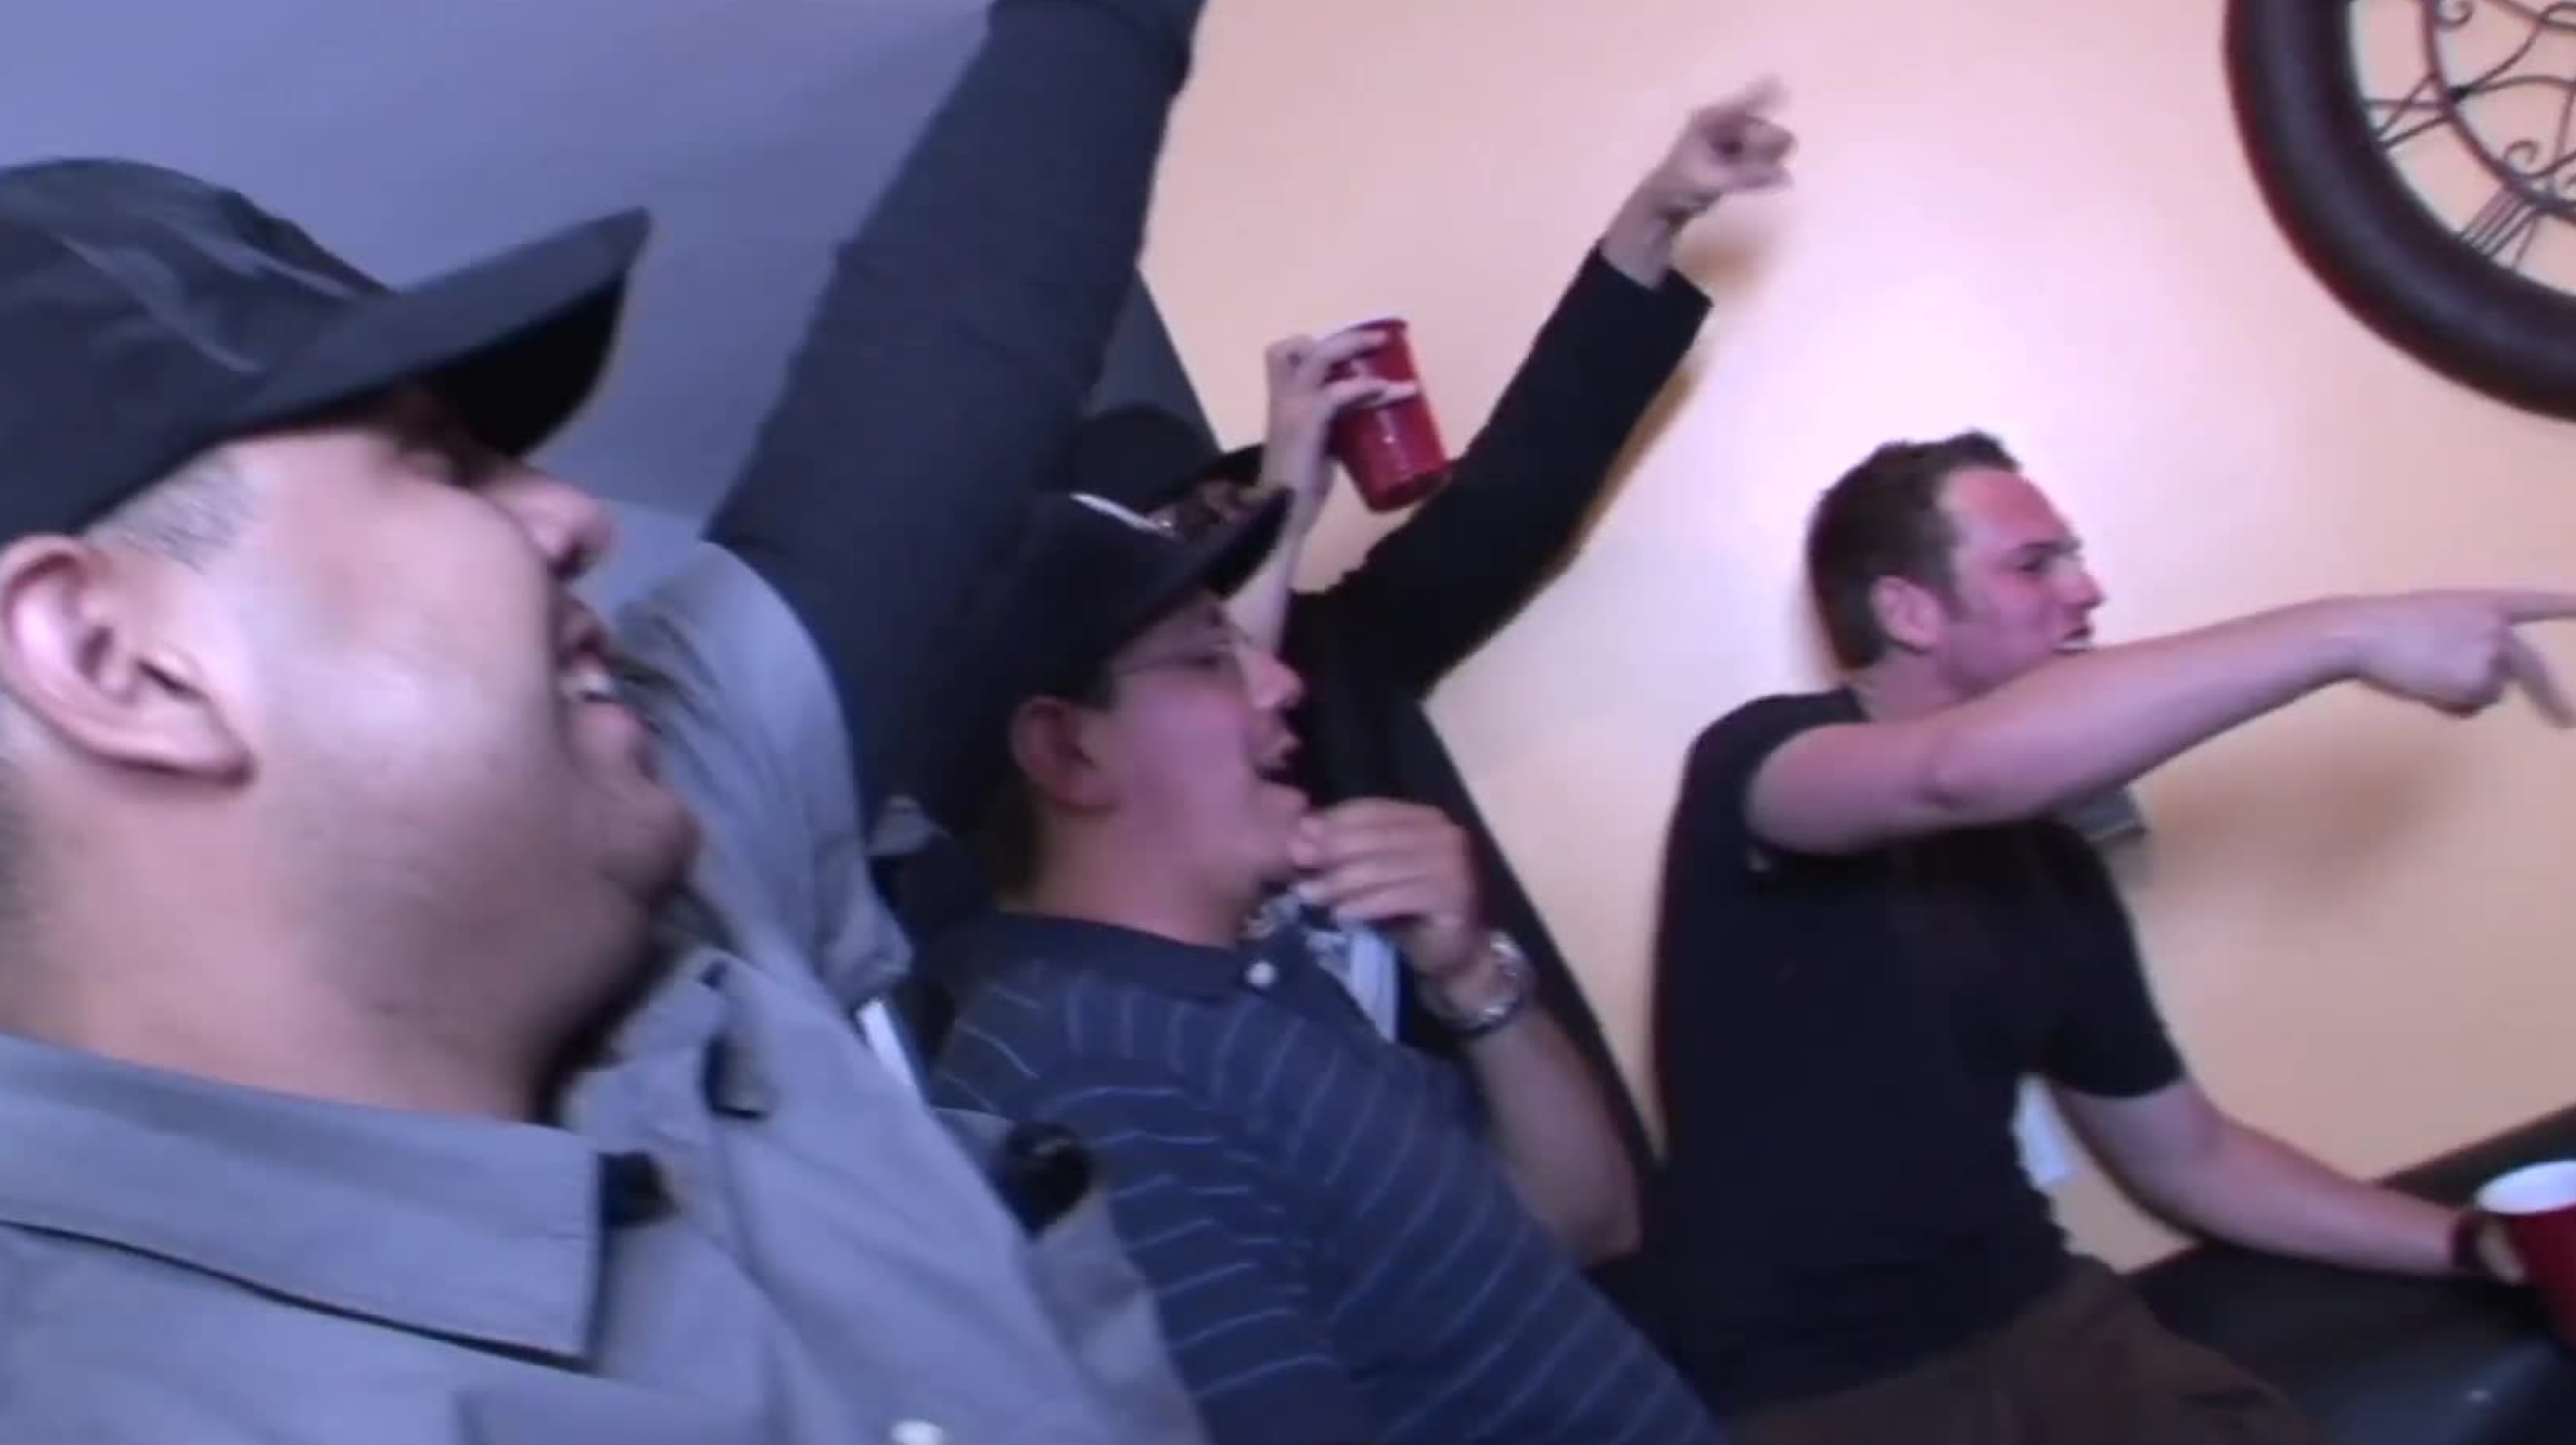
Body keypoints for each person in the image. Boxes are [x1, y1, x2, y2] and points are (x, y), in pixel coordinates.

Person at [0, 0, 1230, 1439]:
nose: (575, 518)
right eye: (443, 467)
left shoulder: (670, 837)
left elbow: (955, 355)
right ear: (120, 662)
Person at [961, 84, 1796, 1284]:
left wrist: (1659, 211)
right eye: (1177, 545)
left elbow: (1519, 490)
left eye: (1221, 524)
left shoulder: (1335, 658)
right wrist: (1281, 504)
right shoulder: (1062, 967)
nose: (1218, 565)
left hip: (1576, 1254)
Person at [1642, 429, 2565, 1445]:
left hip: (2052, 1327)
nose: (2087, 590)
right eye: (2035, 565)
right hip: (1818, 1391)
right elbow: (1955, 773)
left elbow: (2195, 1159)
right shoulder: (1761, 758)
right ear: (1909, 611)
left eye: (2074, 557)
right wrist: (2356, 631)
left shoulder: (2050, 868)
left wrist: (2476, 1242)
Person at [922, 487, 1735, 1445]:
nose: (1279, 683)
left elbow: (1586, 1220)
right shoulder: (1089, 1081)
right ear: (1068, 751)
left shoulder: (1239, 982)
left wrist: (1469, 975)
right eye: (1208, 656)